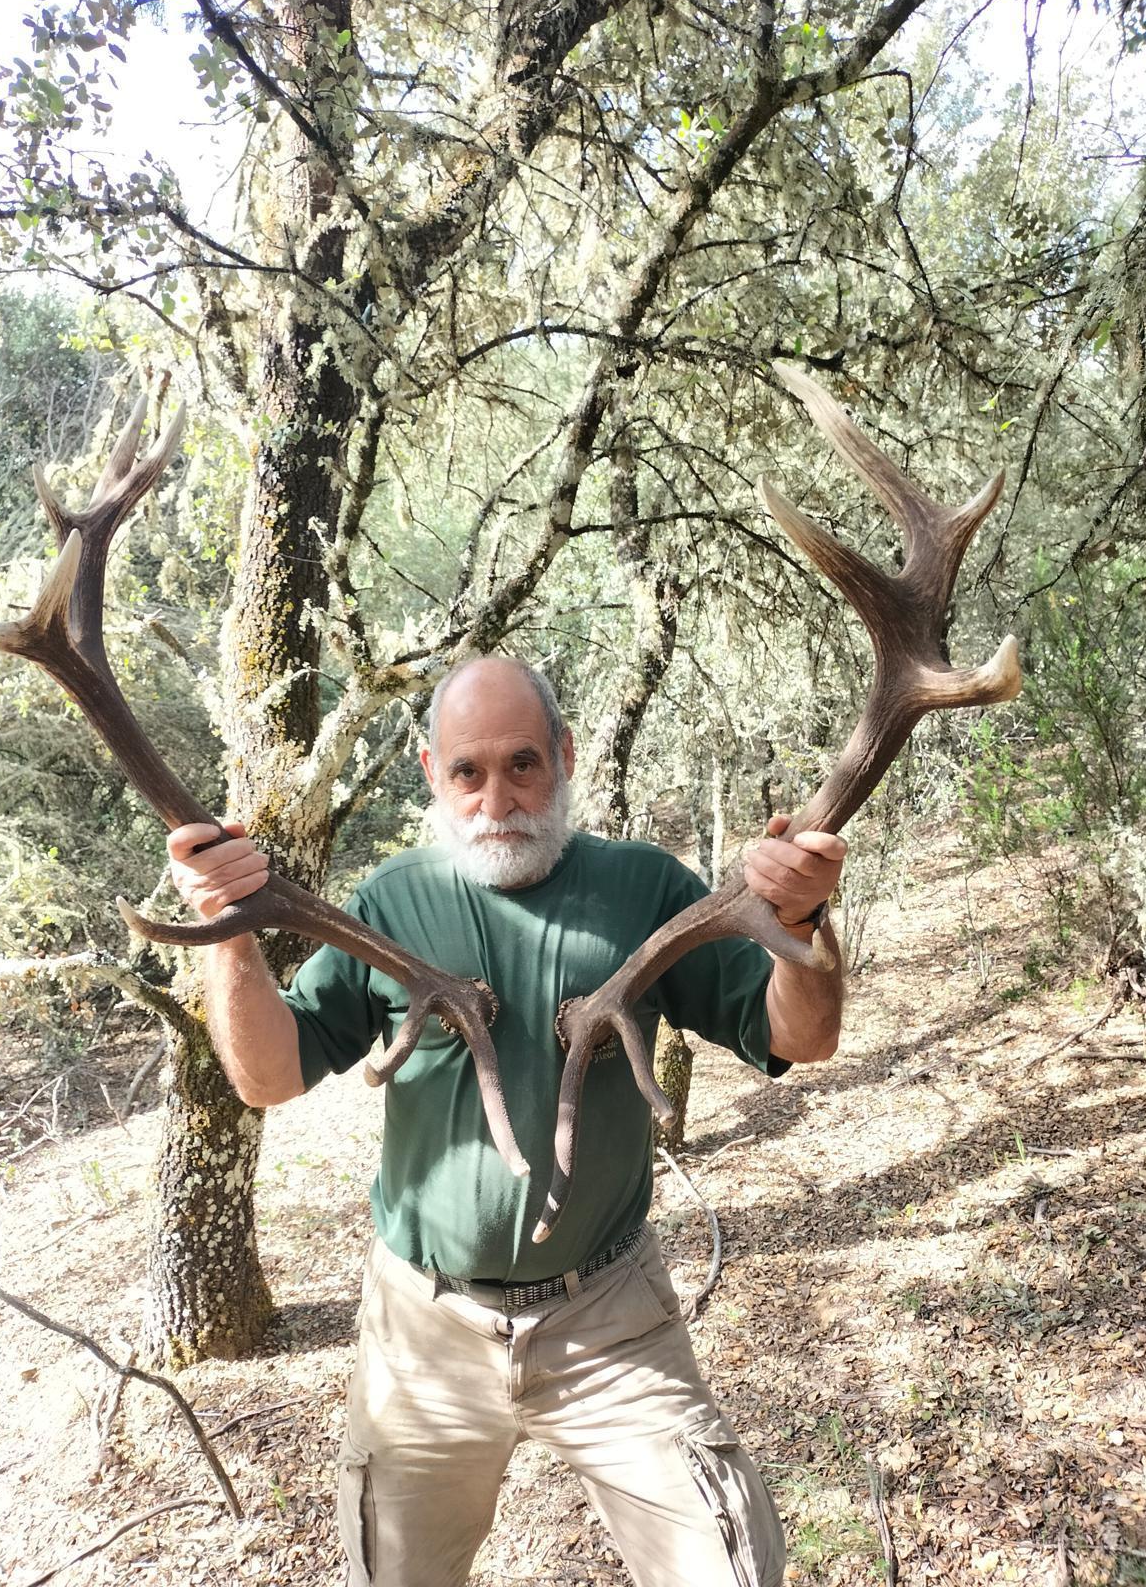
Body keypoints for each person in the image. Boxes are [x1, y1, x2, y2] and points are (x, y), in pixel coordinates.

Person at [168, 656, 846, 1587]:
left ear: (564, 757)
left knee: (729, 1565)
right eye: (469, 772)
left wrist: (803, 923)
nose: (498, 799)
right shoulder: (390, 902)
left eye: (523, 764)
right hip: (425, 1332)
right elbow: (267, 1075)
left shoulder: (646, 888)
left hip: (609, 1320)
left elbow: (797, 1037)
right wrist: (227, 931)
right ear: (430, 772)